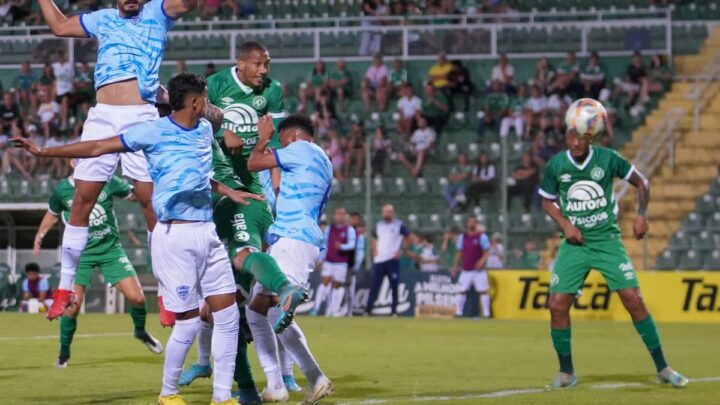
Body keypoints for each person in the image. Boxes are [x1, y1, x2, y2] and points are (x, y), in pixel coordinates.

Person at [15, 73, 262, 405]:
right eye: (204, 98)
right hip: (175, 236)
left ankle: (222, 397)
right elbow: (100, 145)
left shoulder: (204, 130)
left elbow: (201, 174)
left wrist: (229, 189)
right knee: (187, 326)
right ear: (193, 102)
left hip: (207, 232)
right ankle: (168, 393)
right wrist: (45, 152)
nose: (207, 104)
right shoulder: (152, 132)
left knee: (228, 315)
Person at [36, 0, 200, 320]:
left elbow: (189, 4)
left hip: (141, 115)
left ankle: (166, 294)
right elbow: (58, 26)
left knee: (149, 205)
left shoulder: (157, 12)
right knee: (82, 202)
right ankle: (64, 289)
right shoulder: (102, 19)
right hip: (102, 116)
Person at [538, 106, 688, 389]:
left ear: (591, 137)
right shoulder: (557, 166)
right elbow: (546, 201)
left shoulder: (608, 159)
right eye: (572, 136)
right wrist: (565, 224)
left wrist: (642, 214)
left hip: (606, 240)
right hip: (574, 244)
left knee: (634, 300)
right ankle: (567, 372)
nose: (576, 142)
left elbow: (642, 182)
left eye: (582, 137)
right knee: (557, 305)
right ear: (568, 136)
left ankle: (663, 368)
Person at [34, 163, 163, 368]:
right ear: (72, 163)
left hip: (110, 249)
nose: (86, 161)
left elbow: (132, 195)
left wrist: (145, 189)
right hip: (80, 255)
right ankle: (64, 353)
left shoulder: (107, 180)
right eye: (80, 158)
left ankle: (140, 331)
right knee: (72, 309)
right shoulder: (62, 190)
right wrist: (40, 234)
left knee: (137, 298)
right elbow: (52, 213)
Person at [247, 113, 334, 405]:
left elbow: (254, 163)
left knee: (272, 311)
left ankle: (315, 377)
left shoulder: (299, 149)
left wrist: (262, 139)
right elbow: (284, 189)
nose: (279, 149)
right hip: (303, 239)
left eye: (281, 143)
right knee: (258, 310)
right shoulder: (323, 159)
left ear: (294, 138)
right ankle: (276, 385)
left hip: (292, 239)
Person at [366, 204, 412, 316]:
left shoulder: (399, 225)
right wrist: (374, 251)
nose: (387, 214)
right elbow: (374, 238)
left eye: (389, 212)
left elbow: (409, 238)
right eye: (385, 212)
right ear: (382, 213)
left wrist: (402, 250)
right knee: (374, 285)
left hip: (392, 259)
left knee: (394, 285)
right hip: (379, 260)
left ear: (393, 212)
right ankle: (368, 310)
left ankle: (394, 311)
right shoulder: (378, 225)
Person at [313, 207, 357, 317]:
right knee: (324, 281)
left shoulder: (349, 229)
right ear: (334, 215)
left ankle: (333, 310)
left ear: (345, 216)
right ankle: (316, 308)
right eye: (338, 213)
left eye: (342, 214)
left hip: (341, 262)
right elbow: (325, 245)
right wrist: (321, 259)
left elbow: (352, 245)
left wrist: (342, 246)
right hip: (329, 260)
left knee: (337, 285)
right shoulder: (329, 229)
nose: (340, 216)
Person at [451, 217, 491, 319]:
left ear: (476, 224)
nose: (471, 224)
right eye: (469, 222)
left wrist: (481, 261)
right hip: (466, 269)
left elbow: (486, 252)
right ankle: (459, 312)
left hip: (479, 270)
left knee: (483, 291)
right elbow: (459, 253)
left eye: (473, 222)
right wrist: (455, 266)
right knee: (461, 290)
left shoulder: (482, 237)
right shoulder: (462, 237)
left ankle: (486, 314)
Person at [397, 113, 435, 178]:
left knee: (421, 152)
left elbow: (431, 145)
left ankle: (415, 172)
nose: (421, 123)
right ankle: (413, 170)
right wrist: (411, 148)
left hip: (426, 152)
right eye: (420, 122)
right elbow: (411, 143)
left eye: (423, 122)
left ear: (426, 122)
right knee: (400, 155)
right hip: (416, 151)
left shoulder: (430, 132)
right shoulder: (416, 132)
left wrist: (421, 150)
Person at [347, 212, 366, 316]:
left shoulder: (359, 236)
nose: (353, 221)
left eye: (355, 219)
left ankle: (349, 311)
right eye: (352, 219)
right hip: (341, 263)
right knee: (338, 287)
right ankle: (335, 309)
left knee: (350, 287)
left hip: (351, 264)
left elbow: (360, 251)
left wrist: (356, 265)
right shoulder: (345, 231)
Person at [52, 49, 74, 130]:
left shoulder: (69, 66)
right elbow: (54, 79)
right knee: (62, 105)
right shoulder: (55, 66)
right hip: (59, 90)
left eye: (62, 55)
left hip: (67, 89)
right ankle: (61, 121)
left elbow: (72, 78)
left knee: (64, 101)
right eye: (60, 56)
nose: (61, 57)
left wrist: (72, 88)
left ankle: (64, 122)